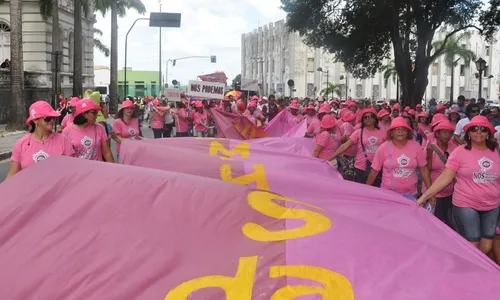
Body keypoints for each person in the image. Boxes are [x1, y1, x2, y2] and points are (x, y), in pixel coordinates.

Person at [417, 116, 500, 255]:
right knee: (473, 242)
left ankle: (473, 266)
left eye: (483, 129)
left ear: (488, 133)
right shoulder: (460, 152)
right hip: (466, 203)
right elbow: (445, 177)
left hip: (492, 205)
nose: (478, 132)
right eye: (474, 129)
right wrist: (424, 197)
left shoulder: (497, 151)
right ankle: (469, 273)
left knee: (486, 246)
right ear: (468, 133)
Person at [368, 117, 433, 201]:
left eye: (403, 129)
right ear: (391, 133)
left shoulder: (416, 146)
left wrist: (430, 193)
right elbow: (374, 171)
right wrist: (366, 190)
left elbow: (424, 170)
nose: (400, 131)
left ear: (407, 132)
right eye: (397, 129)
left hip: (410, 195)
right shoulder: (383, 148)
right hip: (387, 194)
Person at [6, 101, 74, 178]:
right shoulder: (22, 144)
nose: (52, 121)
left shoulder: (63, 141)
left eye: (53, 118)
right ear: (35, 120)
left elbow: (71, 171)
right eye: (47, 118)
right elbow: (11, 176)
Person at [330, 108, 385, 186]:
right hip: (361, 168)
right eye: (365, 117)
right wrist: (331, 157)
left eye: (371, 116)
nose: (368, 118)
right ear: (363, 120)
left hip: (377, 168)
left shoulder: (382, 132)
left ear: (375, 119)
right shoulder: (358, 132)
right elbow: (345, 146)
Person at [423, 120, 457, 226]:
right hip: (435, 193)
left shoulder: (455, 148)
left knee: (450, 224)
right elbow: (426, 171)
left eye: (450, 133)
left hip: (451, 193)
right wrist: (429, 193)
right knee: (435, 224)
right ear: (437, 134)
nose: (447, 135)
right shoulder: (430, 149)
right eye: (444, 132)